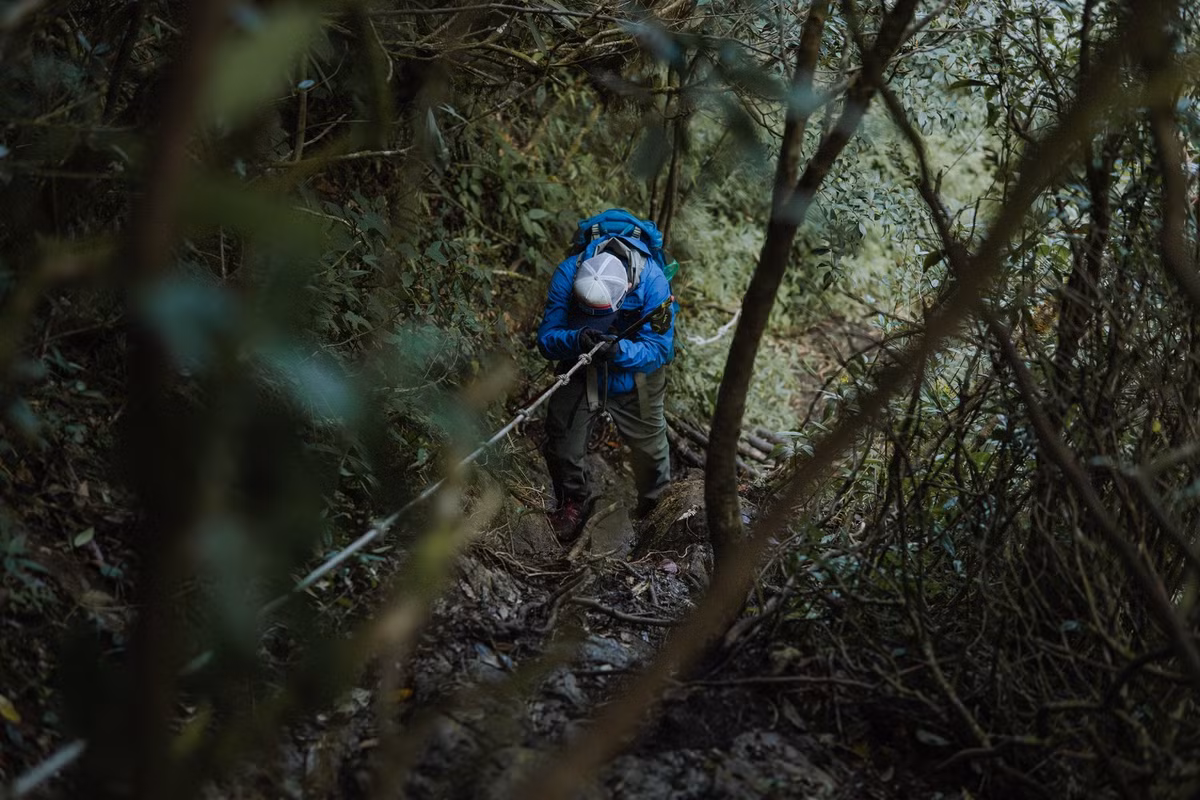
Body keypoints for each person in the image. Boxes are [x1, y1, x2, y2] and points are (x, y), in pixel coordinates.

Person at [536, 213, 675, 542]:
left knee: (651, 449)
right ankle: (572, 502)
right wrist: (576, 338)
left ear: (627, 288)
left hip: (636, 376)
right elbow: (547, 339)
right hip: (582, 368)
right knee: (562, 438)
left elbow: (660, 350)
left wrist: (621, 352)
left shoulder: (654, 283)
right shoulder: (568, 272)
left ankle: (654, 510)